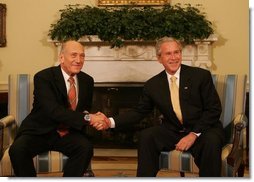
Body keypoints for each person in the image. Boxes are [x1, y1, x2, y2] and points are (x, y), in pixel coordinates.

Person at [91, 37, 225, 177]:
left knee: (211, 141)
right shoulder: (153, 85)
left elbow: (214, 109)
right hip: (174, 130)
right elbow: (139, 111)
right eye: (168, 54)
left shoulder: (200, 76)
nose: (174, 57)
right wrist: (109, 122)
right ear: (159, 58)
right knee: (147, 137)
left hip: (204, 129)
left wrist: (193, 134)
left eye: (176, 52)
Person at [9, 40, 104, 177]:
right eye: (74, 55)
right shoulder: (44, 77)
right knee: (17, 150)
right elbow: (53, 111)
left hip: (68, 133)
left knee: (85, 147)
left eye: (82, 56)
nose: (79, 60)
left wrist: (96, 117)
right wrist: (89, 118)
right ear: (61, 57)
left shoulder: (87, 80)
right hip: (40, 131)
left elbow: (84, 109)